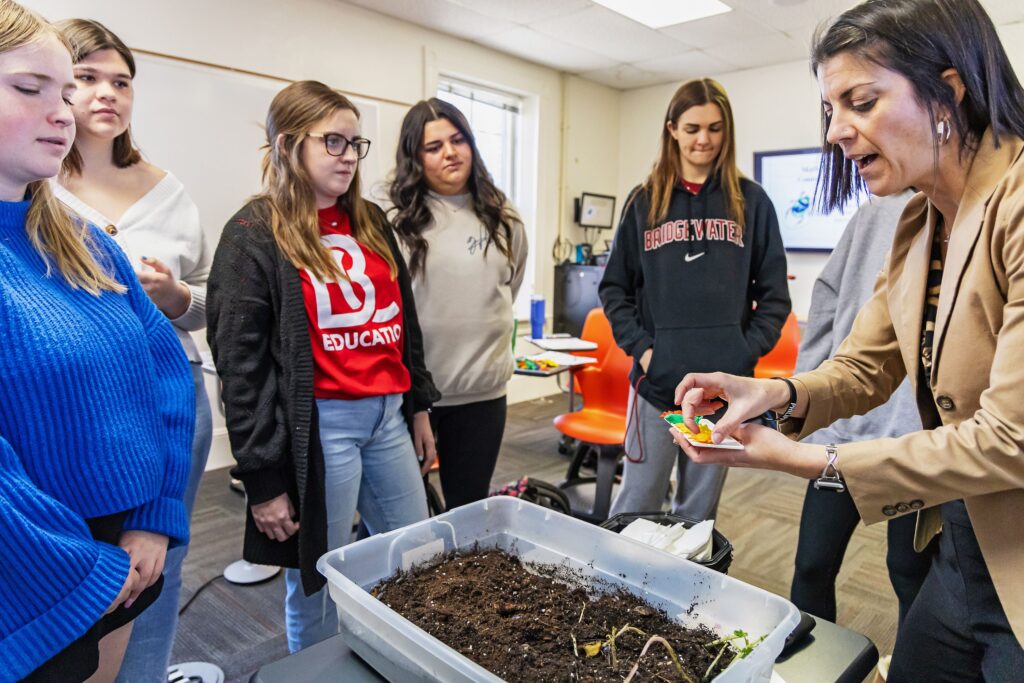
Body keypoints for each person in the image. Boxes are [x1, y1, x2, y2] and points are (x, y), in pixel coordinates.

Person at [672, 1, 1024, 678]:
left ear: (947, 90)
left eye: (860, 102)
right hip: (961, 546)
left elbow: (1010, 439)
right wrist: (773, 390)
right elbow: (867, 366)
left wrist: (806, 462)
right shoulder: (921, 222)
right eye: (831, 109)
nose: (836, 132)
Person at [207, 80, 439, 653]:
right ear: (289, 146)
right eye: (332, 141)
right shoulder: (254, 233)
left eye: (355, 144)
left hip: (387, 417)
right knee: (318, 580)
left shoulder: (370, 221)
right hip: (321, 429)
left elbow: (402, 320)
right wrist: (262, 480)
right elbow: (241, 369)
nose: (348, 156)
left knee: (415, 557)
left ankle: (395, 656)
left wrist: (419, 406)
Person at [0, 2, 194, 681]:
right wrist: (84, 566)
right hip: (36, 576)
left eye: (64, 92)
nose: (65, 112)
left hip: (119, 550)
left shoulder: (83, 244)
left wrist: (151, 516)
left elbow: (163, 373)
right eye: (32, 88)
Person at [51, 19, 212, 682]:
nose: (105, 93)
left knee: (158, 566)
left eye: (121, 81)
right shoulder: (33, 186)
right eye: (86, 77)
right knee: (77, 572)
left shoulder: (168, 188)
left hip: (172, 404)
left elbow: (206, 302)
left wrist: (174, 294)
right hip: (78, 411)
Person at [601, 77, 790, 522]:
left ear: (727, 131)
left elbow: (775, 297)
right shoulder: (644, 202)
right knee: (635, 506)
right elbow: (614, 289)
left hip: (723, 394)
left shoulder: (753, 203)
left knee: (697, 514)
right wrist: (646, 352)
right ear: (672, 130)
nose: (704, 139)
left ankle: (685, 592)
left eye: (714, 128)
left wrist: (742, 351)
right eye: (692, 128)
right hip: (655, 387)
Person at [789, 190, 936, 627]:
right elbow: (829, 300)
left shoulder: (967, 212)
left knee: (910, 572)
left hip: (917, 442)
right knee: (812, 564)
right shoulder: (874, 214)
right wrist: (801, 388)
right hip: (845, 433)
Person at [388, 98, 527, 509]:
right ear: (415, 157)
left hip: (482, 396)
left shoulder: (503, 216)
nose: (450, 152)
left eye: (458, 139)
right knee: (401, 514)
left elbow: (509, 285)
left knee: (468, 508)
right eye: (434, 147)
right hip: (414, 398)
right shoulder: (395, 218)